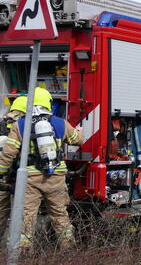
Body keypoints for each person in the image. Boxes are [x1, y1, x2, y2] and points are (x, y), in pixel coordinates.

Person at [0, 88, 83, 250]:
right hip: (56, 176)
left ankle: (23, 253)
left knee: (27, 217)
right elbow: (78, 140)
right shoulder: (60, 123)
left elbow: (9, 153)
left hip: (31, 178)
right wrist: (76, 132)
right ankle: (68, 250)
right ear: (48, 102)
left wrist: (1, 171)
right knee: (60, 215)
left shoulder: (20, 125)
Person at [0, 96, 27, 236]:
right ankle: (18, 243)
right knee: (23, 212)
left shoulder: (2, 123)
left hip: (3, 177)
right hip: (18, 176)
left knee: (1, 211)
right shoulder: (23, 126)